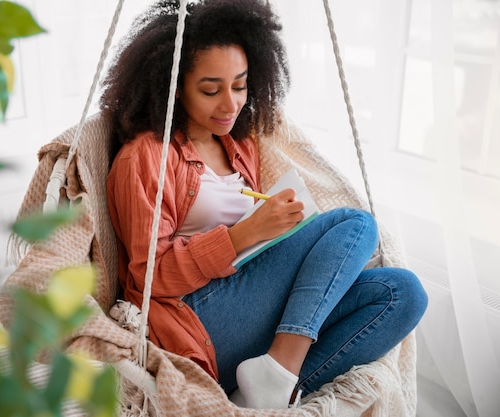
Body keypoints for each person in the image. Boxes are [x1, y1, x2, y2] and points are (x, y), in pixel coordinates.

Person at [102, 0, 427, 409]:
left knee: (403, 294)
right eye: (210, 89)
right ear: (174, 85)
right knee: (356, 225)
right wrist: (245, 234)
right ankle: (278, 368)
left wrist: (275, 226)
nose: (230, 104)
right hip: (193, 316)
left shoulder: (239, 147)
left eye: (239, 85)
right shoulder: (145, 156)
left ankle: (266, 388)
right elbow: (152, 275)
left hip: (251, 315)